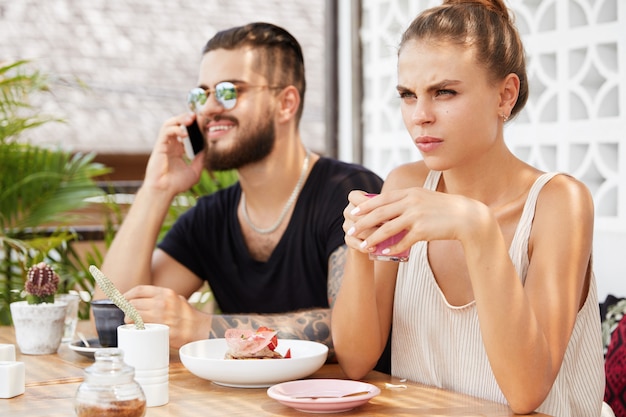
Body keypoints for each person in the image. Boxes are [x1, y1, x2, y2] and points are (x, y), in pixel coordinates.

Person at [331, 1, 605, 416]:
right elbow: (355, 361)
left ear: (504, 94)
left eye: (445, 92)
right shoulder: (405, 186)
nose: (420, 116)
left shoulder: (559, 203)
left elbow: (526, 392)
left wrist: (475, 228)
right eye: (408, 95)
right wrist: (358, 246)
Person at [94, 22, 383, 353]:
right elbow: (116, 316)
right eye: (201, 95)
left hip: (337, 401)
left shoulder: (350, 193)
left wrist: (203, 327)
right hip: (236, 403)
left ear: (286, 103)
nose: (210, 108)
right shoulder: (209, 218)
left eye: (229, 91)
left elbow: (354, 332)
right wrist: (155, 191)